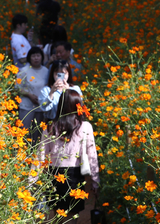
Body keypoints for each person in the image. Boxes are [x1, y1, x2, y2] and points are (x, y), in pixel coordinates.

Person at [32, 89, 100, 223]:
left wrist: (32, 180)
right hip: (74, 176)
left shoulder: (50, 127)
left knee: (58, 215)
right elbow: (92, 155)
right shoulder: (84, 126)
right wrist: (95, 181)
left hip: (55, 175)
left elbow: (40, 155)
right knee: (72, 217)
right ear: (77, 106)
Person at [16, 47, 49, 143]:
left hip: (40, 106)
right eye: (33, 56)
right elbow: (17, 87)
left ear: (42, 57)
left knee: (38, 133)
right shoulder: (24, 70)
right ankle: (22, 153)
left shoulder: (46, 71)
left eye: (38, 55)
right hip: (26, 106)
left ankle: (35, 154)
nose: (36, 58)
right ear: (29, 58)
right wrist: (29, 95)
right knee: (24, 131)